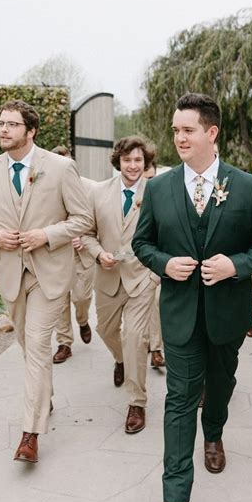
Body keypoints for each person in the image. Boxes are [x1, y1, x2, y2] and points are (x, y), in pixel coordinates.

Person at [132, 92, 252, 502]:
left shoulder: (249, 185)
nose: (178, 137)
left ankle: (213, 431)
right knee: (179, 400)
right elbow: (143, 243)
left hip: (226, 315)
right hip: (178, 315)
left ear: (211, 133)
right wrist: (163, 264)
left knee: (220, 385)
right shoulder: (158, 187)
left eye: (188, 129)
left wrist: (235, 265)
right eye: (176, 129)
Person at [0, 99, 93, 463]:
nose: (3, 129)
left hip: (49, 274)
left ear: (31, 130)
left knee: (37, 345)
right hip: (10, 274)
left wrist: (47, 235)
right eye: (1, 124)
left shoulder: (61, 167)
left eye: (12, 124)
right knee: (25, 344)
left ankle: (30, 434)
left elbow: (83, 218)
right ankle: (43, 396)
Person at [82, 136, 159, 434]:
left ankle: (136, 402)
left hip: (142, 277)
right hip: (108, 277)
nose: (133, 165)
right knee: (105, 330)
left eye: (138, 160)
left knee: (136, 337)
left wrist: (155, 273)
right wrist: (99, 253)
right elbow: (88, 233)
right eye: (127, 160)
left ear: (145, 162)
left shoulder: (156, 192)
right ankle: (120, 359)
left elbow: (166, 233)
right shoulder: (98, 193)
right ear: (119, 162)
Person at [50, 145, 96, 364]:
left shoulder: (91, 188)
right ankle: (64, 343)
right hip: (56, 254)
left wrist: (82, 235)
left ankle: (83, 320)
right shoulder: (44, 187)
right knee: (59, 301)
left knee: (81, 298)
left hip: (83, 255)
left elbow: (99, 220)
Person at [143, 161, 165, 369]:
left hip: (155, 264)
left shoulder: (161, 195)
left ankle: (156, 349)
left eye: (151, 178)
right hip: (126, 265)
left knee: (156, 304)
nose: (148, 182)